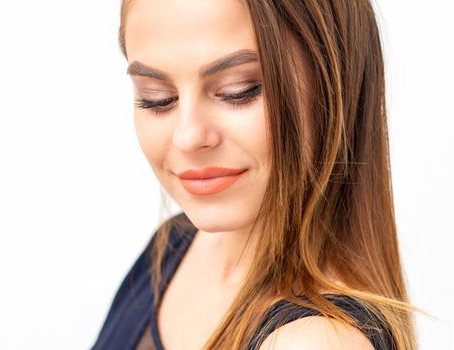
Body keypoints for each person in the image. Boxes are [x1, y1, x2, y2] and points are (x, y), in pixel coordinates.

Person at [92, 0, 418, 349]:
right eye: (156, 98)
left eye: (239, 90)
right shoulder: (173, 246)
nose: (187, 137)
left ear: (334, 80)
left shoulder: (315, 341)